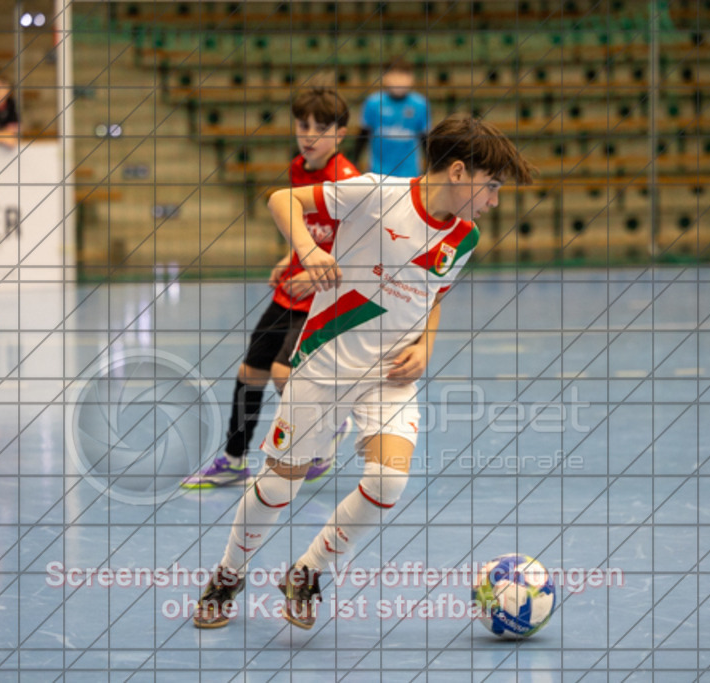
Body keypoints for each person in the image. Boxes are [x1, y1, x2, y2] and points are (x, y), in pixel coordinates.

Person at [193, 113, 536, 629]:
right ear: (459, 172)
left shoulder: (464, 238)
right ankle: (228, 574)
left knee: (388, 483)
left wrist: (426, 345)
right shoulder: (377, 192)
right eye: (491, 188)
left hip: (390, 375)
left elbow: (432, 295)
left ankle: (306, 572)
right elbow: (279, 198)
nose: (493, 201)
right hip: (325, 363)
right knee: (281, 484)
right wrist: (308, 250)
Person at [181, 86, 360, 489]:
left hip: (323, 299)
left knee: (284, 372)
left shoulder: (348, 181)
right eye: (303, 126)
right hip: (291, 291)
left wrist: (312, 273)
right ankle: (233, 460)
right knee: (251, 372)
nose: (309, 135)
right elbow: (301, 220)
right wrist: (289, 255)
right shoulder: (301, 165)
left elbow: (357, 250)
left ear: (341, 134)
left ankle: (330, 424)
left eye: (321, 128)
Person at [354, 57, 430, 177]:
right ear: (385, 77)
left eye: (403, 75)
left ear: (411, 78)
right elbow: (362, 136)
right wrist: (355, 162)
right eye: (394, 75)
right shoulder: (373, 103)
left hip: (410, 174)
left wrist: (432, 167)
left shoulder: (421, 104)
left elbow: (425, 140)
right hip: (378, 173)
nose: (399, 81)